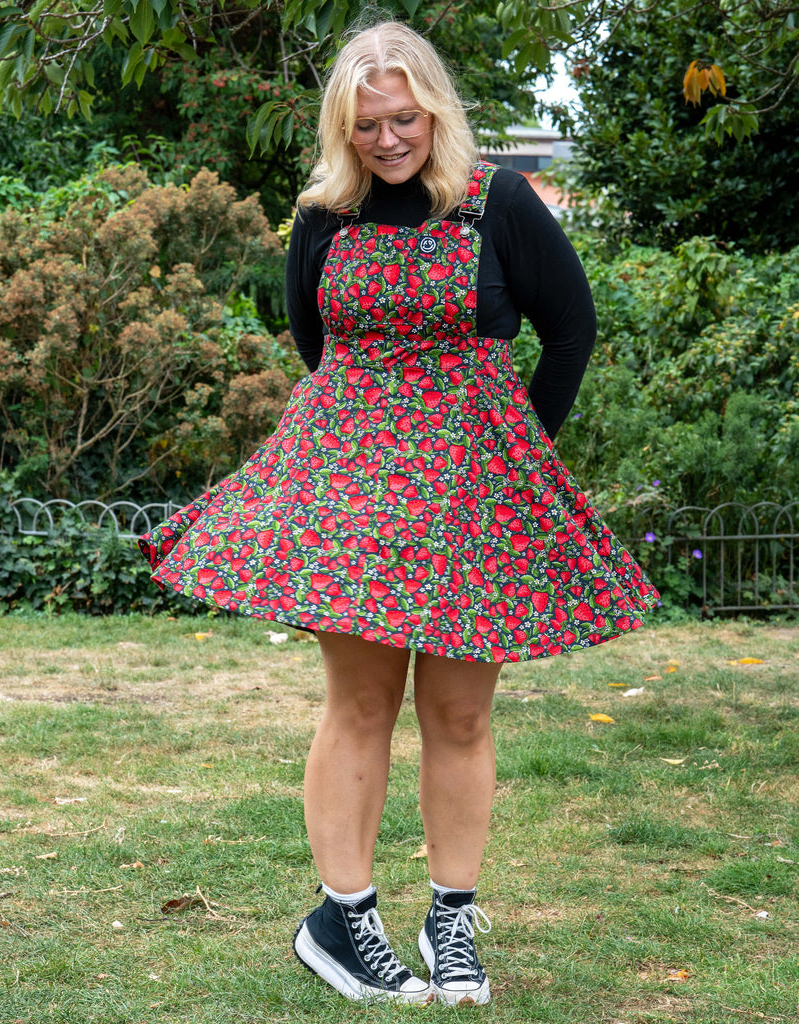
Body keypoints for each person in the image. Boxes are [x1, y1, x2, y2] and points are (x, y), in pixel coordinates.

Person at [138, 21, 658, 1006]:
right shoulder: (323, 215)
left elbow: (571, 331)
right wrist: (370, 448)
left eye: (405, 119)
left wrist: (509, 459)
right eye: (367, 123)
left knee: (460, 713)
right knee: (361, 704)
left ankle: (450, 920)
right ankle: (342, 921)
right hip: (352, 500)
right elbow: (314, 341)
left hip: (473, 500)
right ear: (343, 126)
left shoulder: (497, 202)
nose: (388, 140)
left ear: (436, 112)